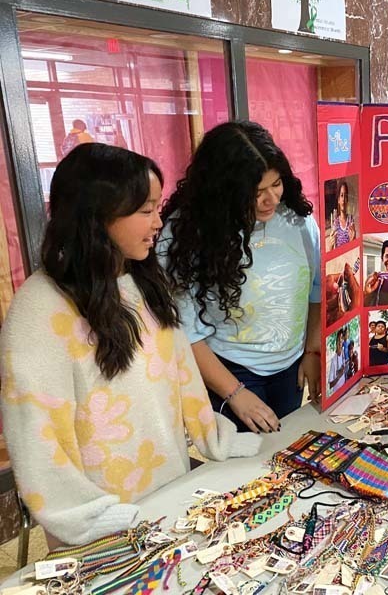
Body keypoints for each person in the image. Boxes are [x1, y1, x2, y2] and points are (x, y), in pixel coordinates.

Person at [0, 144, 259, 547]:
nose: (158, 222)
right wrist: (83, 514)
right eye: (145, 210)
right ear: (98, 214)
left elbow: (183, 376)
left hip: (170, 494)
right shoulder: (40, 307)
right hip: (97, 522)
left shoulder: (144, 279)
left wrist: (214, 438)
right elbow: (36, 433)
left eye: (157, 207)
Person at [160, 121, 322, 434]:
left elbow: (317, 289)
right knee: (249, 456)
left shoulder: (297, 219)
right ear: (222, 192)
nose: (271, 200)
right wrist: (234, 393)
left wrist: (312, 350)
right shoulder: (185, 235)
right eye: (256, 193)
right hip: (229, 369)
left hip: (290, 365)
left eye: (276, 184)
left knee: (285, 446)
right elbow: (184, 329)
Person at [328, 179, 356, 250]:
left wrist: (353, 240)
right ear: (338, 200)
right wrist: (330, 246)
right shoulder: (336, 222)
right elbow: (331, 250)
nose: (343, 199)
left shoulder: (350, 220)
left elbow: (354, 248)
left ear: (347, 200)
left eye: (345, 196)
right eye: (341, 195)